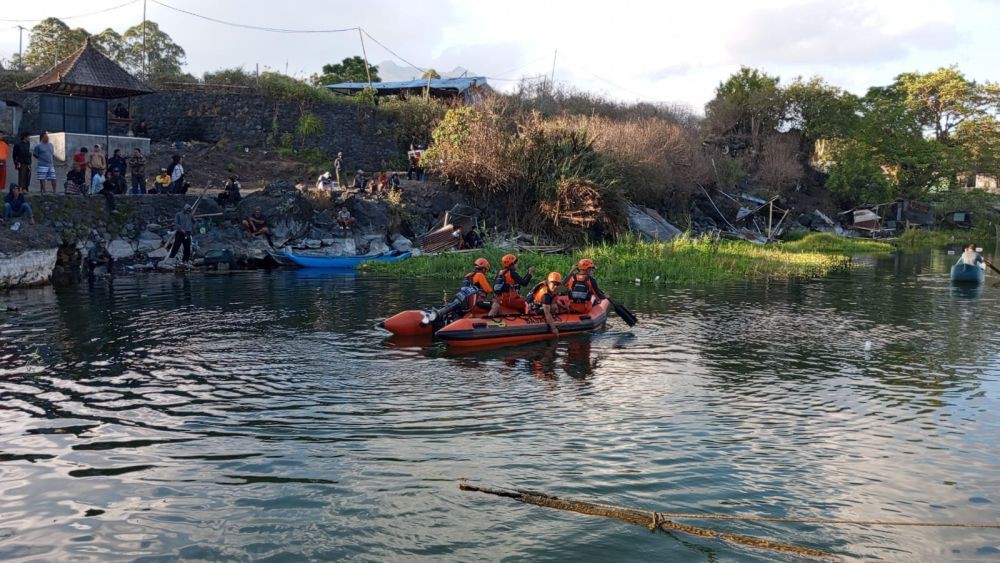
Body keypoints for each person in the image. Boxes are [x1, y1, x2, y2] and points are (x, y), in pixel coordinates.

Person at [529, 272, 566, 338]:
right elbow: (547, 312)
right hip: (533, 307)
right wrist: (554, 328)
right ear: (548, 282)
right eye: (554, 284)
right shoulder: (545, 294)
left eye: (557, 285)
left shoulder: (550, 288)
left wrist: (563, 306)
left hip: (538, 302)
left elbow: (554, 299)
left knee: (556, 306)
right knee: (554, 307)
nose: (555, 286)